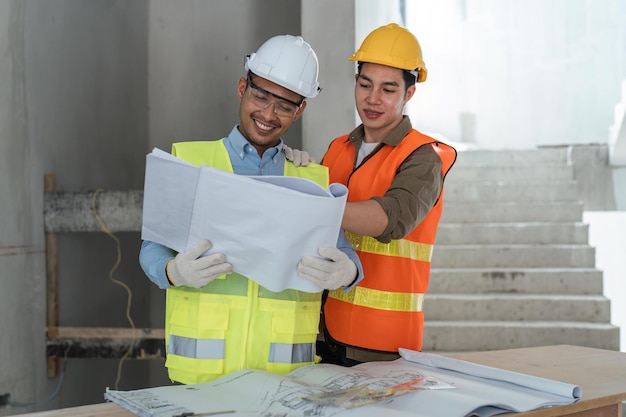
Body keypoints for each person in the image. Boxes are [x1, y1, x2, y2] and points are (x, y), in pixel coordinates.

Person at [139, 34, 362, 384]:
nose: (268, 115)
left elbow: (344, 252)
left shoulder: (311, 178)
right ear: (242, 87)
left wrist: (347, 273)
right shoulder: (190, 161)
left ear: (300, 110)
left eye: (285, 106)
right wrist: (172, 272)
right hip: (202, 375)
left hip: (286, 377)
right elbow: (152, 247)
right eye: (260, 96)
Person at [317, 23, 457, 366]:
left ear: (409, 93)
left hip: (384, 349)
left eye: (388, 89)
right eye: (365, 84)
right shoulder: (338, 148)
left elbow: (390, 218)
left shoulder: (424, 156)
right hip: (321, 337)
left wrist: (309, 206)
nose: (372, 99)